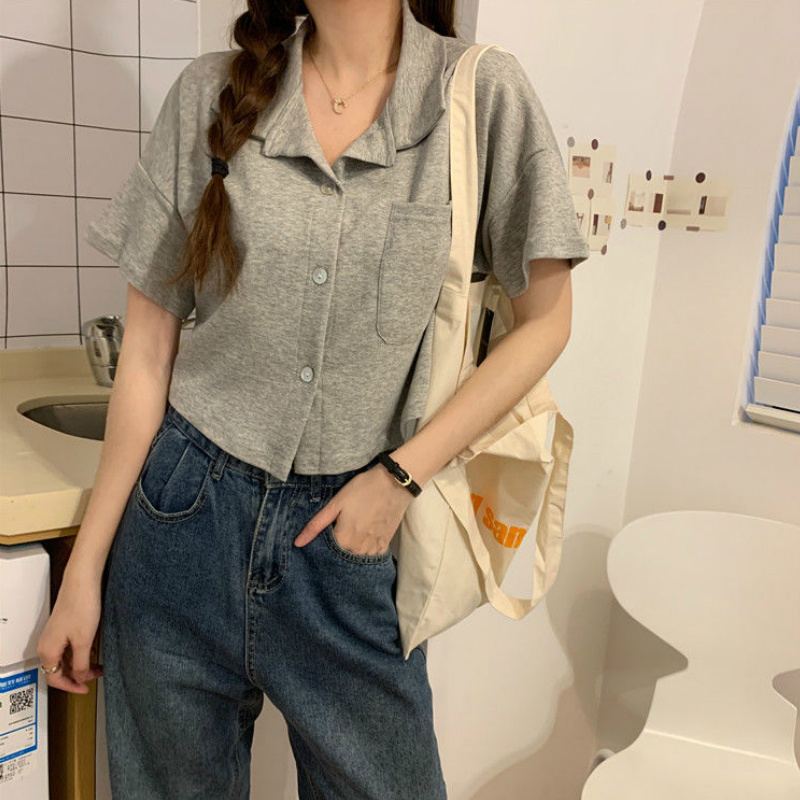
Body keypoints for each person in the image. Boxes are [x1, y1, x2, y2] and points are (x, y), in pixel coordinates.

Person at [36, 0, 590, 797]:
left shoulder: (478, 95)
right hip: (180, 526)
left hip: (349, 544)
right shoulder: (211, 94)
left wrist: (399, 479)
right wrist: (84, 572)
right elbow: (147, 357)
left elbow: (547, 323)